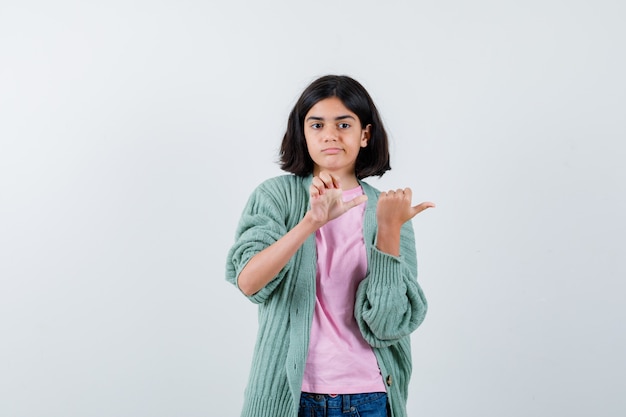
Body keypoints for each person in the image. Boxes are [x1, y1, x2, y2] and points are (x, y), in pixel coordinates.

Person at [225, 75, 434, 417]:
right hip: (289, 397)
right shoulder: (276, 197)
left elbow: (388, 324)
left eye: (344, 124)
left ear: (365, 135)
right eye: (317, 124)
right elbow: (249, 283)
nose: (330, 135)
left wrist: (388, 230)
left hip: (369, 397)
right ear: (302, 133)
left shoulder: (389, 211)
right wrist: (312, 222)